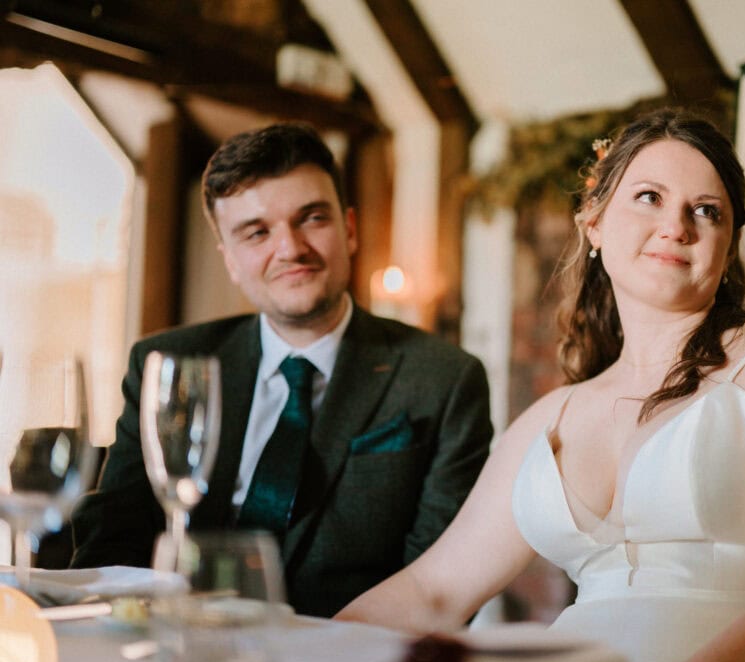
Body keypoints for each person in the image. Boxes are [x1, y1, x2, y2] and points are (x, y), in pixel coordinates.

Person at [336, 108, 745, 662]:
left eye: (706, 211)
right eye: (649, 197)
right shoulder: (554, 415)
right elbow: (434, 591)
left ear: (728, 249)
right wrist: (299, 647)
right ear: (593, 223)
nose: (677, 226)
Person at [70, 123, 494, 618]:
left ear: (349, 229)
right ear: (229, 259)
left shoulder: (443, 379)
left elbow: (440, 583)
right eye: (257, 232)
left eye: (311, 218)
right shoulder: (165, 364)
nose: (291, 248)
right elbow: (113, 543)